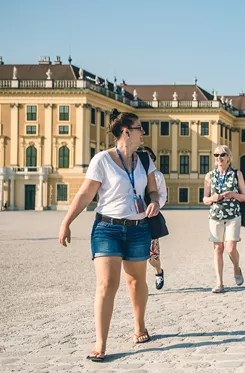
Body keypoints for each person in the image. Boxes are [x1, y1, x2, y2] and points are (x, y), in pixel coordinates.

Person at [58, 109, 160, 362]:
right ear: (126, 132)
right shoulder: (102, 160)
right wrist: (66, 222)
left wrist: (155, 202)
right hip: (107, 228)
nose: (143, 132)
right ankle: (100, 343)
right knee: (107, 284)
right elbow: (85, 194)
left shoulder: (144, 160)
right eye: (139, 128)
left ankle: (139, 326)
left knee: (136, 281)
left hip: (138, 228)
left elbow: (153, 191)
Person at [202, 145, 245, 294]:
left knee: (230, 248)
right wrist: (212, 198)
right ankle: (219, 282)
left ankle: (236, 268)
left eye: (222, 155)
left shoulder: (236, 174)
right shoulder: (209, 176)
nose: (219, 158)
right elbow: (205, 199)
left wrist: (232, 194)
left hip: (233, 216)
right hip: (215, 216)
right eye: (216, 155)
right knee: (218, 249)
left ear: (229, 157)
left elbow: (244, 197)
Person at [138, 146, 168, 290]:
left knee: (152, 256)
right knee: (135, 255)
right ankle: (139, 284)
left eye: (147, 156)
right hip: (134, 217)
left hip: (150, 217)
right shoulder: (132, 174)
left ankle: (158, 271)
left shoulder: (158, 176)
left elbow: (162, 196)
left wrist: (155, 206)